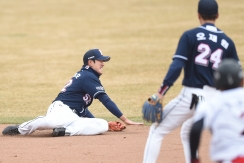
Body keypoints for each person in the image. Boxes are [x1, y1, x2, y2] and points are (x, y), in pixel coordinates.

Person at [121, 0, 239, 163]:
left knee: (156, 130)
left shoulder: (190, 35)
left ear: (198, 15)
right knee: (187, 131)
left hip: (192, 95)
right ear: (217, 16)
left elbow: (177, 66)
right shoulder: (228, 42)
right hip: (215, 99)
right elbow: (236, 74)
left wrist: (159, 94)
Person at [2, 48, 142, 137]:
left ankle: (64, 131)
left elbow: (82, 108)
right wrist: (125, 119)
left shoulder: (88, 76)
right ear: (90, 62)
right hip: (62, 110)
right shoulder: (88, 76)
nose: (103, 63)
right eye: (100, 60)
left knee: (101, 125)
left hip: (74, 115)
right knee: (49, 122)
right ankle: (21, 128)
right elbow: (105, 100)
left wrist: (96, 122)